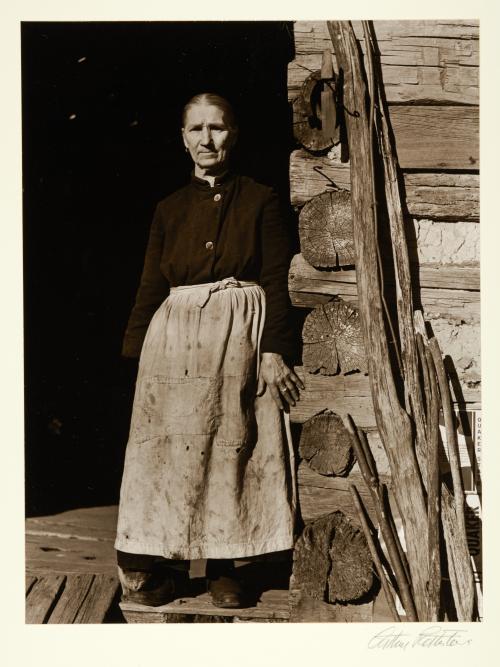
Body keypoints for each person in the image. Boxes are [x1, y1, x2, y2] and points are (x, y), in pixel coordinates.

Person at [114, 93, 303, 609]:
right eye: (196, 129)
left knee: (232, 447)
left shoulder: (260, 198)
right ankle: (167, 567)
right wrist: (137, 357)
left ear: (233, 135)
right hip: (174, 344)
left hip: (239, 336)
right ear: (182, 138)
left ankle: (226, 569)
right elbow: (151, 286)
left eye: (216, 128)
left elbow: (276, 280)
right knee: (173, 453)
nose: (206, 139)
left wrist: (273, 350)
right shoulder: (168, 209)